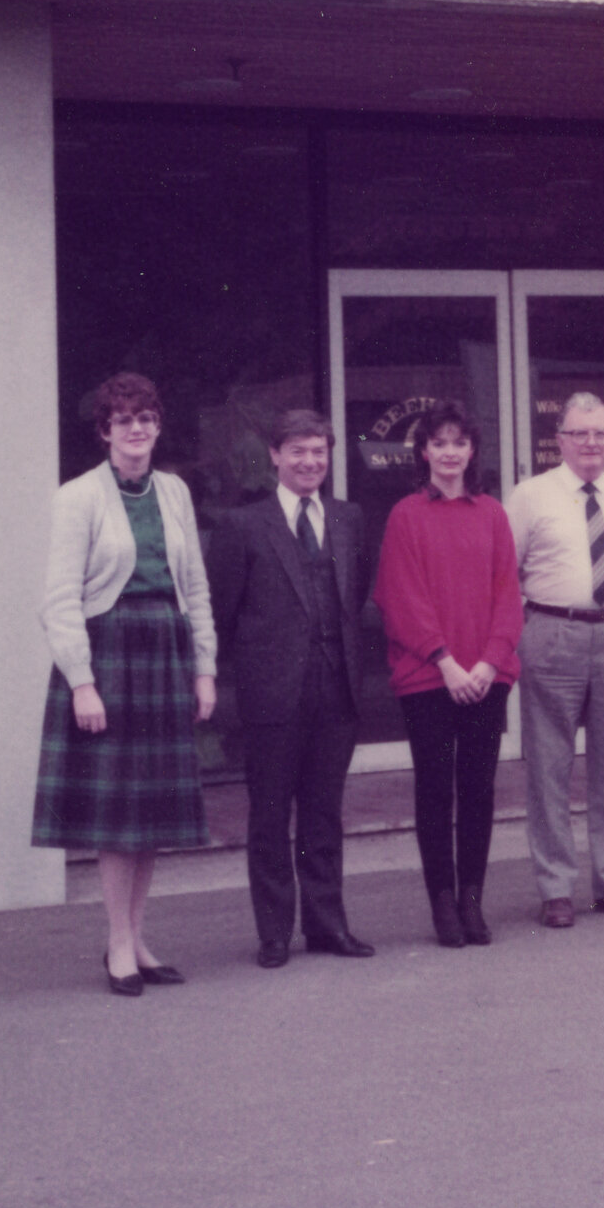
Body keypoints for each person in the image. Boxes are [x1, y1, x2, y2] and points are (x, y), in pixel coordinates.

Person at [32, 373, 217, 997]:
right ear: (105, 430)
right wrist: (82, 682)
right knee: (118, 816)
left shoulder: (174, 492)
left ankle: (139, 938)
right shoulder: (78, 497)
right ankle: (115, 943)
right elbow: (59, 601)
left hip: (164, 651)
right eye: (124, 419)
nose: (136, 428)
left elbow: (193, 587)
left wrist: (204, 668)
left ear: (158, 426)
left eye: (146, 418)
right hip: (108, 655)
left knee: (152, 814)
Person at [208, 408, 373, 969]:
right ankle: (275, 933)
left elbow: (356, 596)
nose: (309, 462)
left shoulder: (350, 519)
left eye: (319, 452)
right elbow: (221, 612)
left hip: (337, 690)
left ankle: (327, 927)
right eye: (298, 451)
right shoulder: (243, 525)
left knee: (324, 815)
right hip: (272, 695)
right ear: (275, 456)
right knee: (271, 816)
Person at [506, 392, 604, 928]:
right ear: (560, 439)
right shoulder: (530, 495)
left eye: (601, 433)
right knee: (549, 765)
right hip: (553, 632)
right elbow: (506, 569)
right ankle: (556, 888)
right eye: (580, 433)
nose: (592, 442)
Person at [372, 401, 523, 948]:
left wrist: (486, 663)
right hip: (429, 676)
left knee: (478, 789)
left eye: (460, 442)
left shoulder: (492, 514)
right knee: (435, 789)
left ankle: (472, 900)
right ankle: (441, 902)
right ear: (424, 451)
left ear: (472, 450)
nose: (451, 452)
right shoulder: (406, 516)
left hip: (487, 675)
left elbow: (510, 595)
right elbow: (402, 597)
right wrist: (446, 661)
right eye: (440, 443)